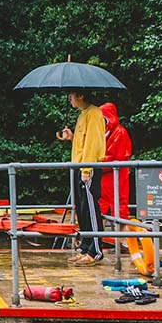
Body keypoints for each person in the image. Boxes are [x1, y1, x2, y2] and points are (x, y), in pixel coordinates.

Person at [56, 91, 106, 265]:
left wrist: (86, 169)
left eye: (72, 95)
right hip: (80, 167)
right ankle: (85, 247)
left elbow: (93, 144)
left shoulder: (94, 113)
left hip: (89, 168)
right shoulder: (83, 114)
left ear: (81, 96)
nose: (70, 98)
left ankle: (96, 251)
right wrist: (71, 138)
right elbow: (83, 143)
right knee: (82, 209)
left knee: (91, 208)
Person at [98, 102, 132, 222]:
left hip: (117, 175)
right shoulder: (105, 132)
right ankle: (98, 237)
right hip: (105, 176)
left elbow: (117, 157)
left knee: (119, 206)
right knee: (101, 205)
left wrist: (97, 161)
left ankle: (122, 239)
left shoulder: (119, 132)